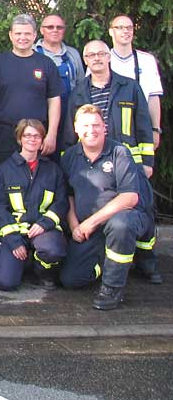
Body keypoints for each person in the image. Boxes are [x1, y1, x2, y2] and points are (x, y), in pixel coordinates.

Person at [65, 40, 160, 283]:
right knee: (103, 207)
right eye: (91, 55)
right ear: (85, 60)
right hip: (95, 161)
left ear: (109, 57)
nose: (96, 58)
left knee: (142, 209)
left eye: (101, 54)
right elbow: (69, 132)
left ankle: (147, 261)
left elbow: (142, 125)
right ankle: (107, 259)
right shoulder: (77, 92)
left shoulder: (129, 86)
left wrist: (147, 160)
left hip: (129, 162)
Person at [60, 105, 155, 310]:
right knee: (71, 279)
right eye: (85, 125)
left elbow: (129, 197)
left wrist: (90, 223)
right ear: (76, 128)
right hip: (90, 230)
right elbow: (67, 195)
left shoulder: (119, 152)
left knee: (120, 224)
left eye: (96, 125)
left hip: (124, 220)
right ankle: (110, 263)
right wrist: (74, 224)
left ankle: (112, 289)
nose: (91, 130)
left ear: (105, 127)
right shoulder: (69, 157)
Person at [0, 14, 62, 237]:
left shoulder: (46, 64)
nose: (22, 38)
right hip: (2, 134)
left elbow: (54, 100)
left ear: (35, 35)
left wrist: (52, 134)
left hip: (36, 136)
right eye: (18, 33)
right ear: (10, 35)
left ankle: (32, 235)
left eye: (27, 33)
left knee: (33, 184)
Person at [0, 120, 67, 291]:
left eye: (37, 136)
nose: (32, 139)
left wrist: (44, 223)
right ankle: (9, 259)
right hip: (15, 232)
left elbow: (61, 202)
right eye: (27, 135)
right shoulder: (3, 171)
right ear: (19, 139)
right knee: (6, 282)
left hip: (43, 230)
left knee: (52, 250)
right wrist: (14, 241)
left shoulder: (53, 170)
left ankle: (42, 272)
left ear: (42, 140)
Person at [108, 14, 164, 152]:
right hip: (111, 126)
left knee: (143, 169)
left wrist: (155, 129)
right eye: (120, 27)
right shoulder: (101, 59)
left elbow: (153, 98)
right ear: (111, 31)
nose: (125, 31)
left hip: (141, 124)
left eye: (129, 27)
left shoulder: (147, 60)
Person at [35, 14, 85, 129]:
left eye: (59, 27)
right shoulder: (33, 52)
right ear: (42, 30)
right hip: (40, 117)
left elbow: (81, 86)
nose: (55, 30)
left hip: (69, 116)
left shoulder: (73, 54)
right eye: (50, 27)